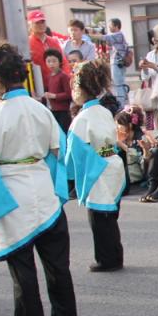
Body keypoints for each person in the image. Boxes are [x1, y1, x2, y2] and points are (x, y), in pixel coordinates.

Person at [0, 43, 76, 316]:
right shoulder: (41, 109)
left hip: (13, 194)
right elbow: (59, 149)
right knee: (57, 264)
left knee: (23, 269)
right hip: (43, 188)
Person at [65, 60, 124, 272]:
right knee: (110, 216)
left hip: (97, 166)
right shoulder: (103, 111)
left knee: (99, 218)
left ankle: (106, 259)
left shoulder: (83, 117)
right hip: (112, 162)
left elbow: (75, 150)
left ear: (81, 89)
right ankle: (116, 255)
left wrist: (70, 174)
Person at [27, 9, 68, 89]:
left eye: (42, 22)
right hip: (38, 86)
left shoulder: (54, 41)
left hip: (58, 85)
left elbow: (63, 61)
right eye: (37, 23)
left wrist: (67, 78)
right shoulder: (28, 43)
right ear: (30, 25)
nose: (41, 25)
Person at [114, 104, 152, 190]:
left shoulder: (142, 138)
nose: (117, 128)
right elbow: (105, 153)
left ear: (130, 125)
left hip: (137, 178)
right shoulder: (119, 137)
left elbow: (144, 164)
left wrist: (124, 147)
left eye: (119, 124)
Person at [41, 48, 72, 132]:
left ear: (60, 62)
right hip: (52, 110)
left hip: (63, 111)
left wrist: (54, 96)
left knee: (64, 132)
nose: (51, 64)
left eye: (54, 61)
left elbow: (69, 94)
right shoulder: (48, 77)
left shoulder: (63, 76)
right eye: (49, 61)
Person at [102, 17, 131, 107]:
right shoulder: (118, 36)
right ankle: (123, 101)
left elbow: (104, 37)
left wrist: (90, 34)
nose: (109, 28)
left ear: (116, 26)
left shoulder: (118, 34)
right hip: (118, 61)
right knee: (119, 82)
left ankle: (121, 103)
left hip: (117, 62)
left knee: (118, 83)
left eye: (110, 26)